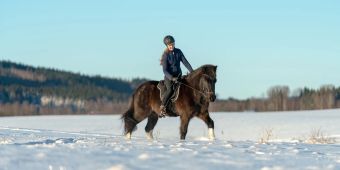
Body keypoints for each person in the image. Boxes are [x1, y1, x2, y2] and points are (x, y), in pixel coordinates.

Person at [159, 35, 193, 117]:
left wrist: (192, 71)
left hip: (178, 76)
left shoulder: (178, 51)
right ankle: (163, 106)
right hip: (169, 77)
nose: (171, 46)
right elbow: (165, 70)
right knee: (170, 90)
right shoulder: (165, 55)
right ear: (167, 46)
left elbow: (185, 62)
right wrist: (171, 78)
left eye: (172, 44)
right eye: (169, 45)